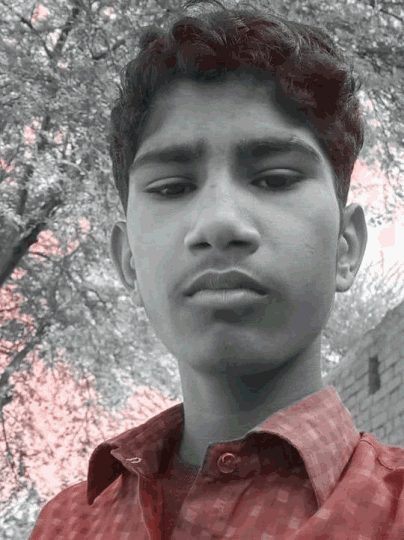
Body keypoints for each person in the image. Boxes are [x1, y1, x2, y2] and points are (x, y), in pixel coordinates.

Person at [29, 0, 404, 538]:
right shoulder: (64, 525)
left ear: (345, 246)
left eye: (274, 179)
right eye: (172, 187)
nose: (219, 223)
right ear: (128, 260)